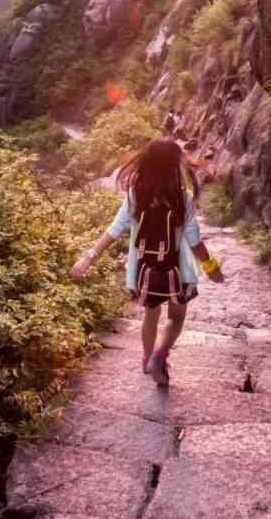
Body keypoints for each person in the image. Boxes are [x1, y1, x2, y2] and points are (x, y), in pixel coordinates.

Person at [70, 138, 224, 386]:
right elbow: (195, 241)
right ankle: (159, 355)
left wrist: (87, 259)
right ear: (174, 167)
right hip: (179, 269)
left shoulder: (135, 194)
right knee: (176, 317)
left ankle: (146, 358)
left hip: (146, 269)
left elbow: (113, 230)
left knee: (150, 316)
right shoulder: (181, 198)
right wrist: (211, 267)